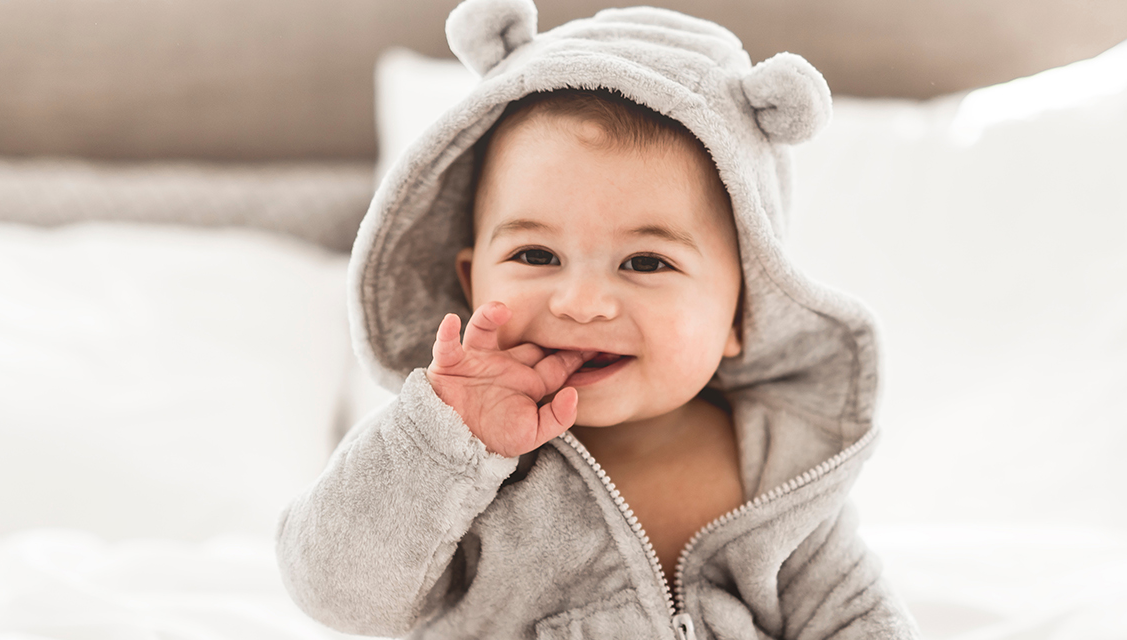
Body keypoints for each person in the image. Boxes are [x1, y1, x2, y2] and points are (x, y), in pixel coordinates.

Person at [277, 1, 916, 637]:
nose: (581, 303)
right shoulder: (449, 454)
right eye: (535, 254)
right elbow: (335, 595)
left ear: (742, 311)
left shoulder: (784, 469)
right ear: (472, 285)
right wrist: (443, 443)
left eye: (645, 261)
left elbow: (856, 616)